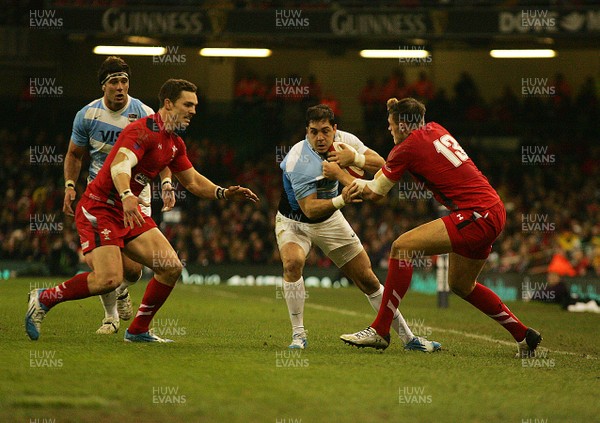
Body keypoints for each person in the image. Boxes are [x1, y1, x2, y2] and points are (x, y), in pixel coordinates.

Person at [26, 78, 259, 342]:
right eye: (188, 104)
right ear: (169, 104)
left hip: (129, 211)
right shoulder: (142, 131)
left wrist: (224, 192)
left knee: (170, 267)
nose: (194, 111)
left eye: (195, 105)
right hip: (100, 207)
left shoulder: (174, 143)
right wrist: (126, 194)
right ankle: (44, 298)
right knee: (108, 280)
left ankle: (138, 330)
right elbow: (120, 165)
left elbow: (192, 180)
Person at [338, 97, 542, 358]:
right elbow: (384, 174)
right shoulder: (434, 128)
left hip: (475, 214)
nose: (388, 129)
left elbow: (377, 192)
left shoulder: (406, 148)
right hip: (492, 210)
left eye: (390, 124)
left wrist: (339, 173)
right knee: (461, 284)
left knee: (401, 247)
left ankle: (380, 330)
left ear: (402, 126)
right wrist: (393, 110)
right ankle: (523, 335)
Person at [276, 104, 441, 352]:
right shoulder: (298, 161)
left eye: (325, 131)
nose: (320, 138)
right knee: (292, 263)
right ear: (306, 132)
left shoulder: (346, 141)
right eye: (313, 132)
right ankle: (298, 334)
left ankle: (409, 339)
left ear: (335, 129)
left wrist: (355, 158)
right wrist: (342, 198)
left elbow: (383, 165)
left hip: (330, 220)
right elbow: (309, 209)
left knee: (367, 279)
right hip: (294, 222)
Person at [62, 56, 175, 335]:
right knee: (108, 263)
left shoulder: (145, 113)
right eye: (114, 81)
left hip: (137, 196)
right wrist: (69, 185)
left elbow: (162, 152)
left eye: (124, 81)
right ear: (104, 86)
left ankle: (123, 291)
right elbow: (75, 154)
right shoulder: (87, 115)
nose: (120, 86)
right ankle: (110, 317)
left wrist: (168, 182)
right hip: (101, 198)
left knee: (133, 270)